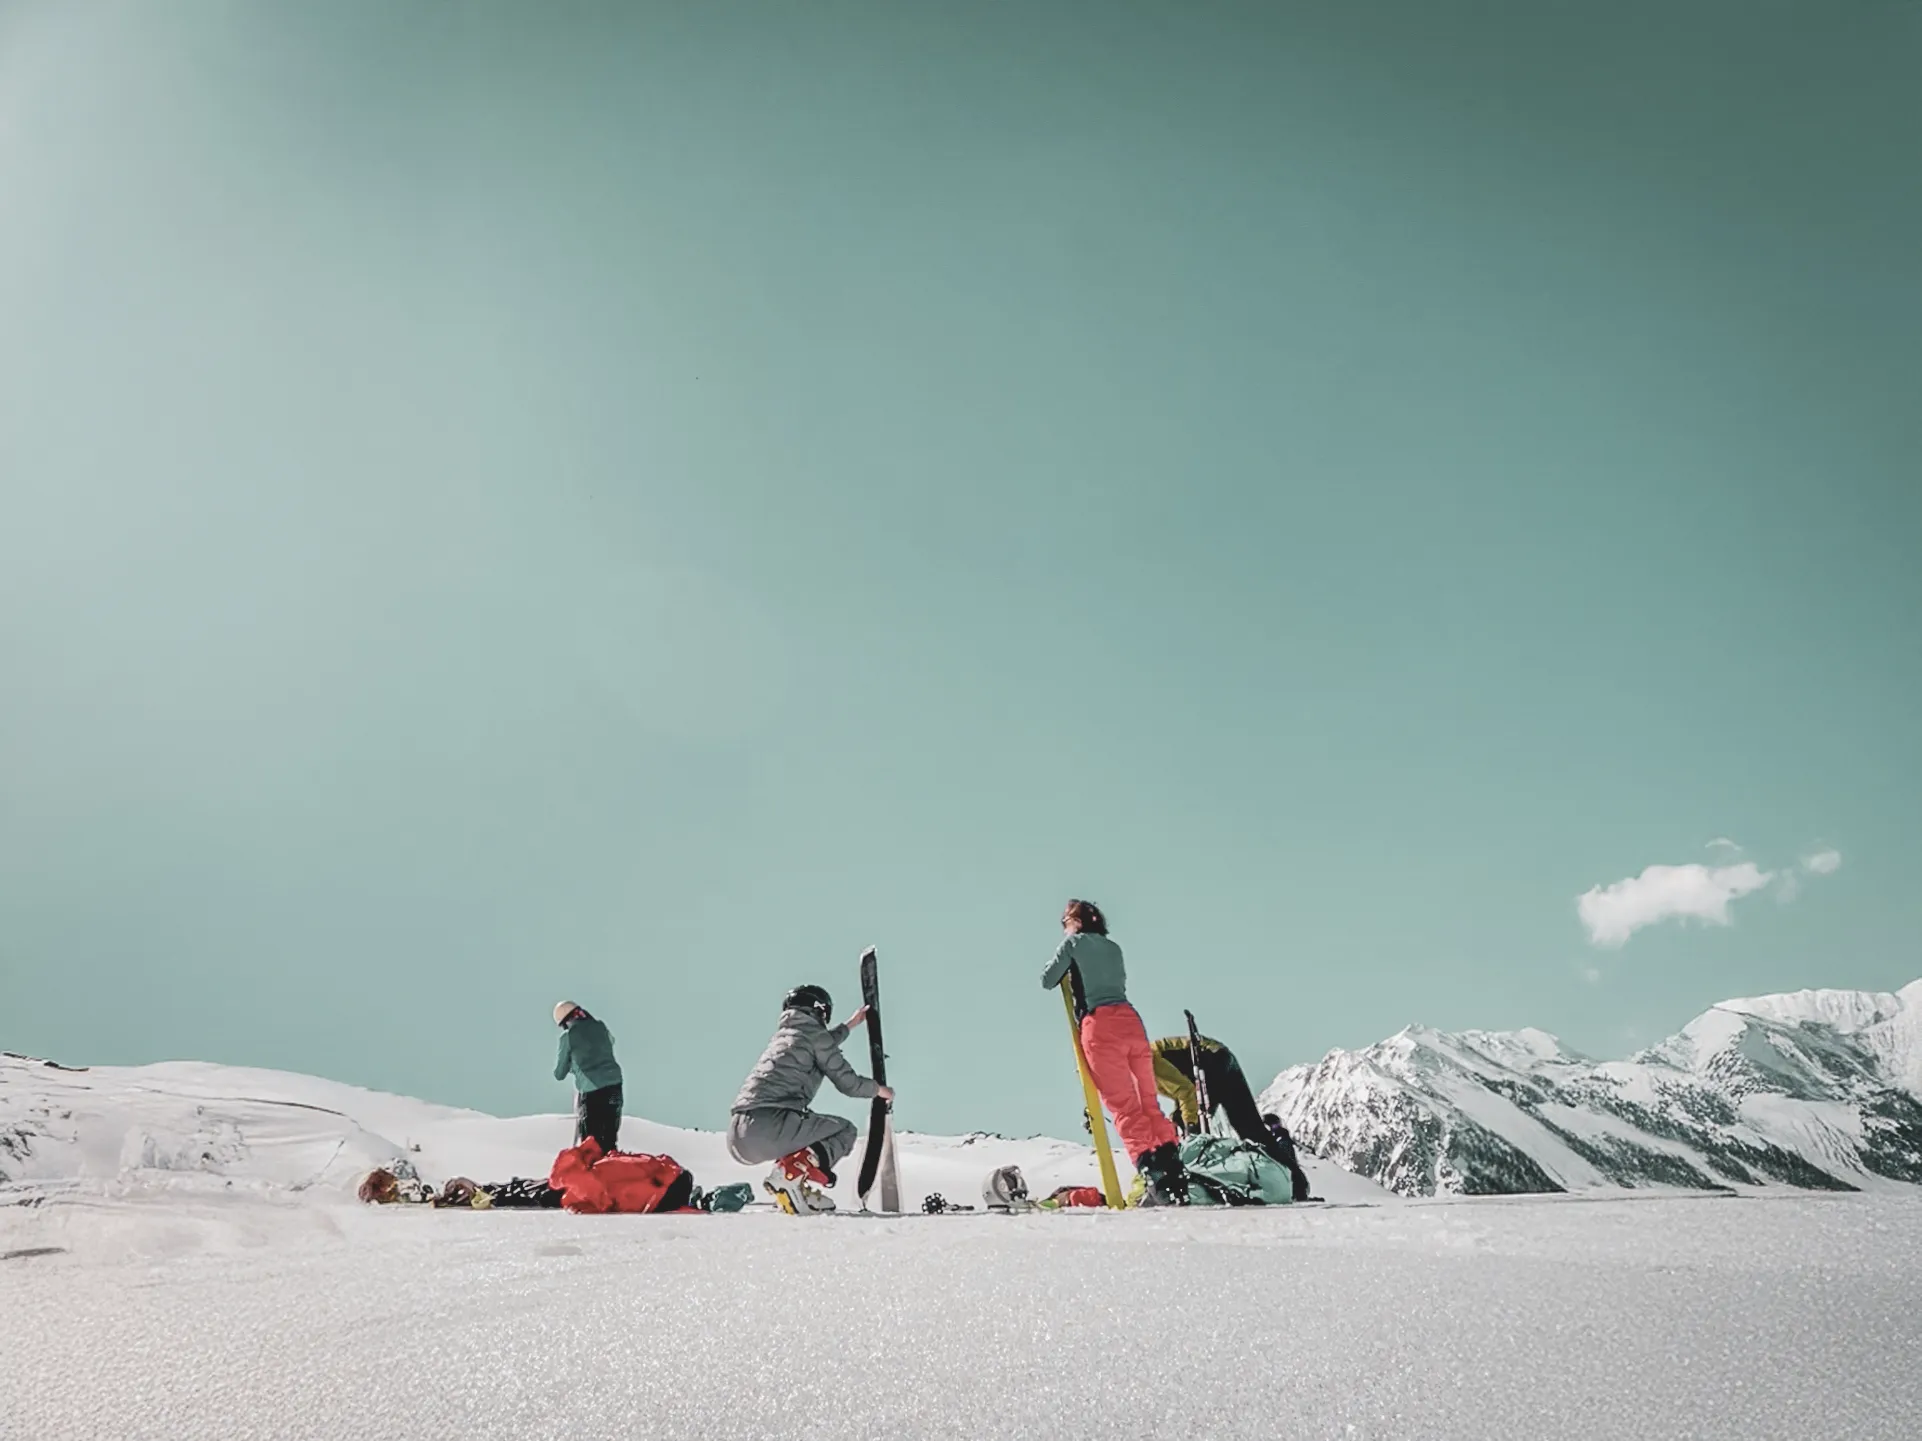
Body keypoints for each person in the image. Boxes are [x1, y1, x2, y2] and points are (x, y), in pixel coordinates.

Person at [1040, 899, 1189, 1205]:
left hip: (1100, 1027)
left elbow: (1048, 979)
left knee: (1125, 1107)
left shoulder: (1074, 944)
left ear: (1075, 921)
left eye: (1065, 921)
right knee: (1149, 1103)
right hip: (1132, 1023)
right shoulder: (1113, 947)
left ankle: (1154, 1177)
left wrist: (1068, 941)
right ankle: (1174, 1172)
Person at [727, 983, 891, 1215]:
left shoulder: (784, 1037)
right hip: (769, 1126)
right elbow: (849, 1084)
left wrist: (851, 1025)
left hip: (739, 1136)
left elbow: (822, 1043)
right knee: (843, 1131)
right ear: (821, 1011)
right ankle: (790, 1176)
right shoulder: (815, 1037)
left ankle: (792, 1187)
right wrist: (880, 1090)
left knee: (807, 1126)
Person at [1150, 1032, 1313, 1202]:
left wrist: (1191, 1127)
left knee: (1191, 1135)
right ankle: (1297, 1185)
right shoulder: (1143, 1061)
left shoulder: (1145, 1060)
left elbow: (1185, 1092)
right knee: (1252, 1130)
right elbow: (1183, 1092)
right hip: (1220, 1058)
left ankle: (1196, 1182)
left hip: (1210, 1063)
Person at [553, 1001, 624, 1154]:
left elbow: (560, 1073)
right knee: (609, 1140)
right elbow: (611, 1041)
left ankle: (591, 1175)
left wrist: (574, 1066)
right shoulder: (600, 1026)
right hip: (615, 1086)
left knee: (590, 1144)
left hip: (592, 1092)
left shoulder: (568, 1037)